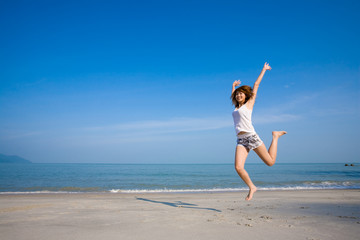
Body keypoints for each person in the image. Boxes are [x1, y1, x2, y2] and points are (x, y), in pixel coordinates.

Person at [231, 62, 287, 201]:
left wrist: (264, 70)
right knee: (238, 167)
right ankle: (252, 187)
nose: (238, 95)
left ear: (246, 96)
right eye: (237, 94)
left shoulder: (249, 104)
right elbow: (233, 95)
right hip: (241, 140)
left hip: (251, 137)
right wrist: (233, 87)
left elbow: (256, 85)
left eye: (241, 94)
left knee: (270, 162)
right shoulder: (236, 108)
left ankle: (275, 136)